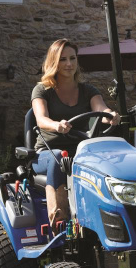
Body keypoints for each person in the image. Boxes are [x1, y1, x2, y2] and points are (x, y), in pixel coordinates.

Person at [31, 38, 120, 233]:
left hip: (80, 152)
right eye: (63, 59)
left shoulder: (88, 90)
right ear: (54, 62)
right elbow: (41, 119)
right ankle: (59, 220)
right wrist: (56, 125)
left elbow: (101, 109)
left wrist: (110, 116)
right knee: (58, 158)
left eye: (72, 58)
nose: (69, 64)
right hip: (46, 154)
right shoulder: (42, 90)